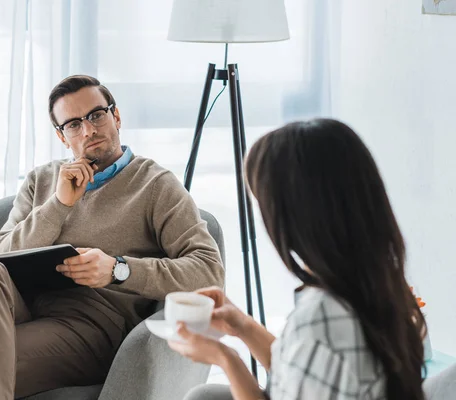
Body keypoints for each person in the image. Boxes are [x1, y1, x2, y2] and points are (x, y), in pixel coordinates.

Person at [0, 75, 225, 400]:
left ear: (116, 116)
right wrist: (59, 204)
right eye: (73, 124)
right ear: (61, 135)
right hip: (21, 308)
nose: (89, 130)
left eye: (96, 115)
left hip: (90, 326)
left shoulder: (155, 185)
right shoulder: (42, 180)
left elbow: (208, 271)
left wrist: (117, 269)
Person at [169, 119, 427, 400]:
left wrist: (225, 358)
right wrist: (241, 326)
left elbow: (313, 355)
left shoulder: (321, 320)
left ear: (295, 217)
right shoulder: (374, 283)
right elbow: (304, 375)